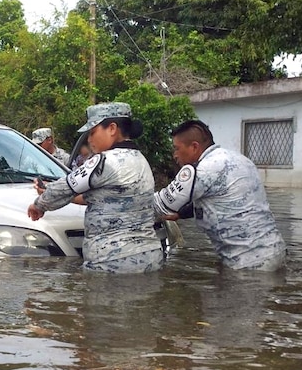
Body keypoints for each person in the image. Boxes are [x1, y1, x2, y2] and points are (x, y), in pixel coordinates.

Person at [28, 102, 164, 273]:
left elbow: (67, 186)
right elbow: (99, 199)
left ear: (112, 129)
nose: (90, 140)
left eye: (92, 132)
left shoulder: (104, 161)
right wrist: (48, 191)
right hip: (150, 257)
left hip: (112, 261)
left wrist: (39, 205)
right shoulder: (141, 160)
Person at [153, 120, 286, 271]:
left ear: (194, 146)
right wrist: (180, 214)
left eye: (177, 149)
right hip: (275, 251)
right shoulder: (241, 160)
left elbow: (160, 205)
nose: (174, 155)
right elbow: (223, 201)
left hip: (247, 262)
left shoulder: (201, 170)